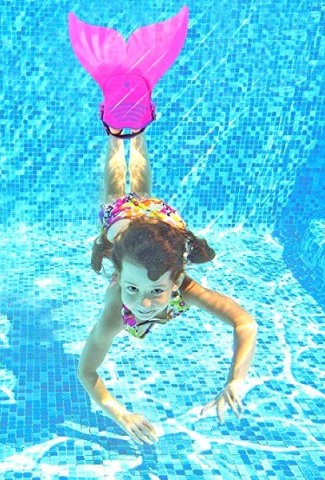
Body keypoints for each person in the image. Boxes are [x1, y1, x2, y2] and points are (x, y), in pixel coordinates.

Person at [77, 128, 258, 445]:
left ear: (175, 282)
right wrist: (121, 415)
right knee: (116, 193)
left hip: (161, 222)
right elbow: (86, 371)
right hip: (124, 223)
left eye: (157, 291)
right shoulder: (115, 311)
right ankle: (117, 134)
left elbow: (244, 323)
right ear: (118, 275)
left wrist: (236, 380)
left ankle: (136, 132)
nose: (142, 304)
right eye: (132, 289)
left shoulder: (185, 287)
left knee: (140, 192)